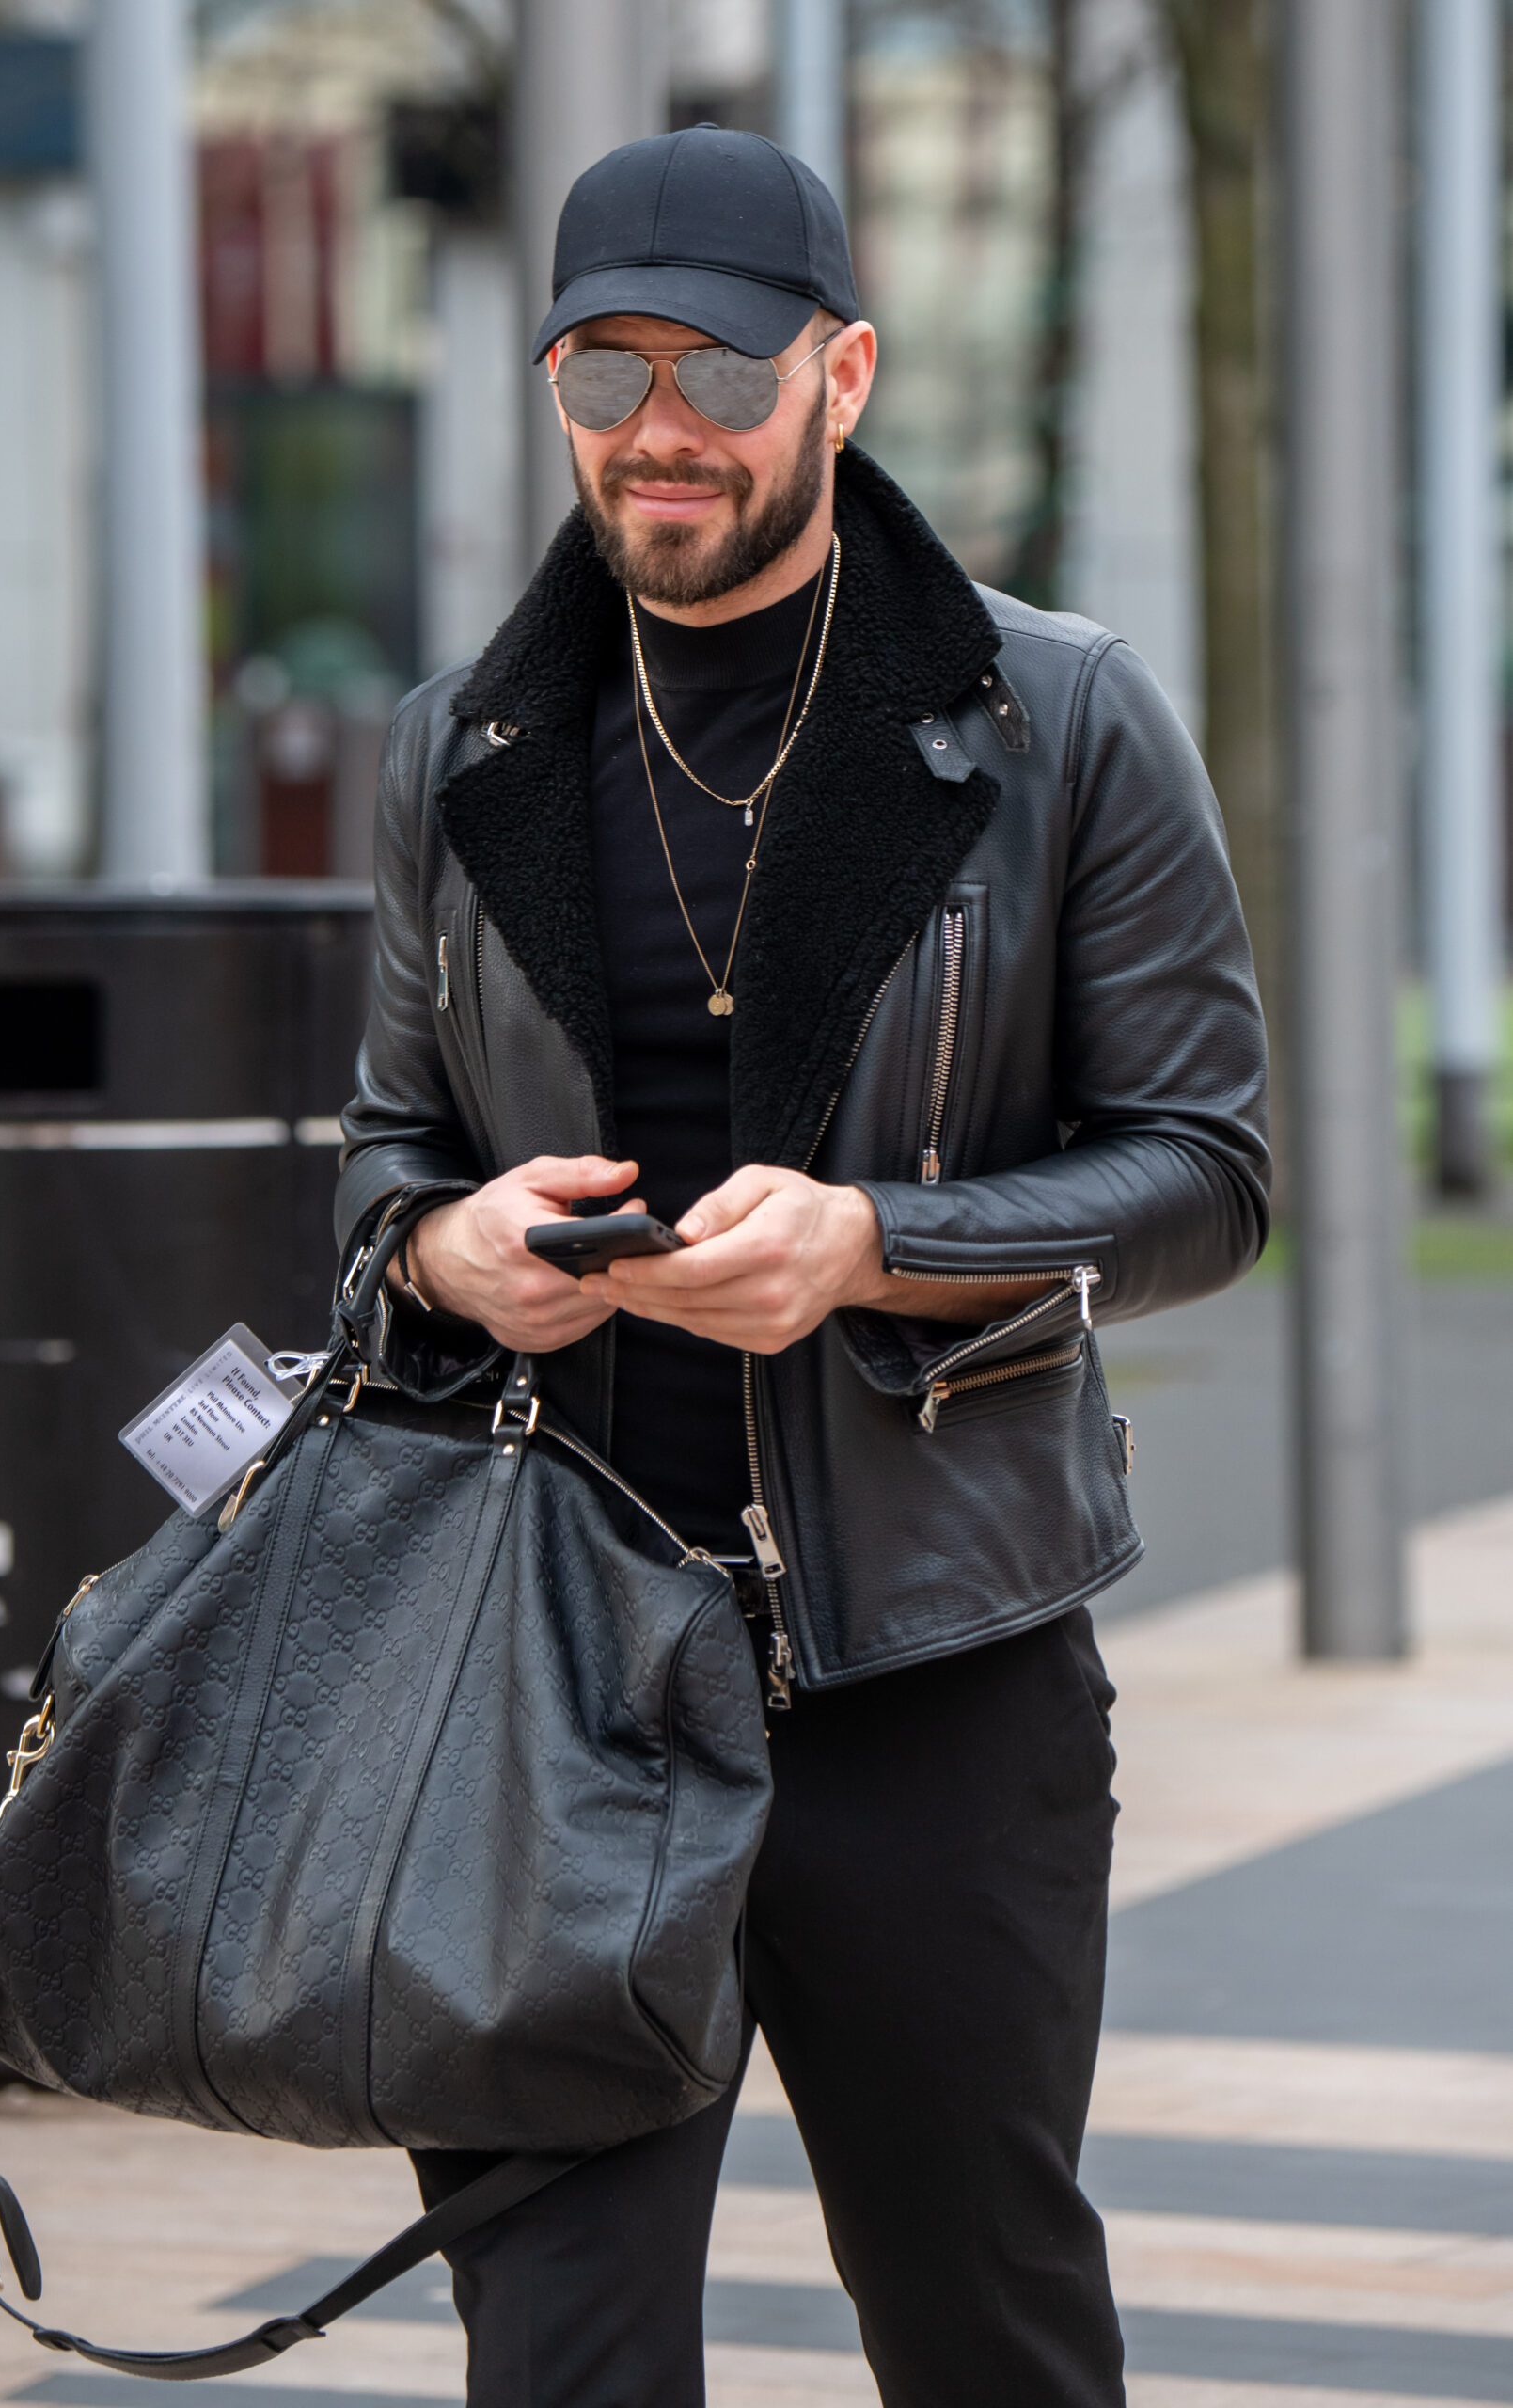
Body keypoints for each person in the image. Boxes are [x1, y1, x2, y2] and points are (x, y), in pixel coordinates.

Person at [337, 123, 1269, 2408]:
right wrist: (446, 1245)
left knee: (983, 2326)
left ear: (841, 373)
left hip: (926, 1667)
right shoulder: (460, 750)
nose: (656, 426)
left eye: (718, 368)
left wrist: (876, 1244)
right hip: (542, 1670)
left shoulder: (1050, 720)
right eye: (598, 370)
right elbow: (380, 1158)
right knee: (554, 2359)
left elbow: (1205, 1169)